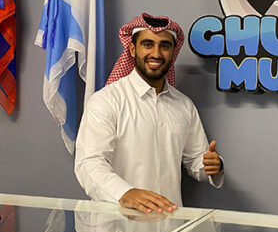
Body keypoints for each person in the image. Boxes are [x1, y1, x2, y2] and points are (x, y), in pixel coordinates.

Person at [74, 13, 223, 213]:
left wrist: (212, 166)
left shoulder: (184, 105)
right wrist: (125, 193)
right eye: (147, 44)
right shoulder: (106, 101)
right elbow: (89, 163)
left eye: (164, 46)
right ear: (132, 49)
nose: (156, 53)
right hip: (119, 225)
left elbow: (196, 161)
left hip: (169, 223)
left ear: (173, 52)